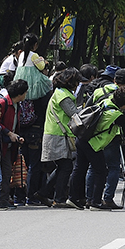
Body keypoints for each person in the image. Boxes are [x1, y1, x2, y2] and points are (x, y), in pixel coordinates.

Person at [40, 68, 82, 207]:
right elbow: (73, 113)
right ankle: (58, 199)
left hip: (56, 133)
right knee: (66, 166)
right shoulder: (64, 95)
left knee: (62, 166)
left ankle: (44, 192)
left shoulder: (59, 92)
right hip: (58, 134)